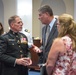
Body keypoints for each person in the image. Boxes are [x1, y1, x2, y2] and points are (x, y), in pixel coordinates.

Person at [38, 5, 58, 75]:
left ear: (47, 14)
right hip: (45, 65)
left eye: (40, 15)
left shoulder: (60, 26)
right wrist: (40, 49)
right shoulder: (44, 29)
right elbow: (44, 45)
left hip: (57, 65)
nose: (38, 18)